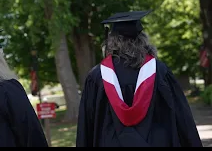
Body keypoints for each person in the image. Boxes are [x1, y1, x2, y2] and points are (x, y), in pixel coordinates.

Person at [76, 11, 203, 147]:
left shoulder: (97, 76)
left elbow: (86, 126)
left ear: (111, 41)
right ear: (143, 39)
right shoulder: (160, 71)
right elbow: (182, 118)